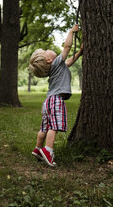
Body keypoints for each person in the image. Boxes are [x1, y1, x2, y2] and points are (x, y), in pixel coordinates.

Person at [28, 24, 83, 167]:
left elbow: (69, 61)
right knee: (54, 127)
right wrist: (71, 31)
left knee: (44, 127)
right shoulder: (57, 63)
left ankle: (38, 148)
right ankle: (48, 150)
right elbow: (67, 47)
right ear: (49, 60)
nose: (49, 50)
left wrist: (80, 52)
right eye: (47, 51)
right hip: (56, 100)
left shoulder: (57, 67)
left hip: (48, 101)